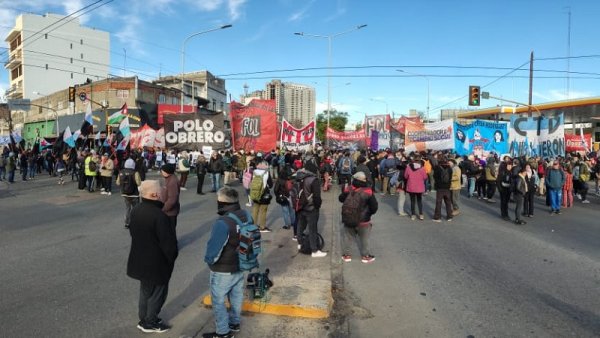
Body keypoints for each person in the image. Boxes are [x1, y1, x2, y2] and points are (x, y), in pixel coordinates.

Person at [127, 180, 178, 333]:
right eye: (161, 189)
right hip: (157, 261)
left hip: (139, 257)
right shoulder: (159, 215)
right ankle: (150, 321)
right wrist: (171, 258)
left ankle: (143, 318)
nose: (164, 191)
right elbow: (168, 244)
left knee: (145, 290)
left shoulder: (136, 209)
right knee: (158, 292)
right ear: (154, 194)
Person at [204, 186, 248, 338]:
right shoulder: (245, 215)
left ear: (221, 202)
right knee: (236, 296)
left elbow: (214, 249)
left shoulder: (223, 222)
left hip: (223, 269)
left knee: (218, 301)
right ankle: (234, 323)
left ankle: (222, 332)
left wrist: (210, 261)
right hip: (241, 263)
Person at [339, 171, 378, 263]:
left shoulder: (349, 188)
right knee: (364, 239)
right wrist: (368, 214)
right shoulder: (368, 191)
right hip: (364, 221)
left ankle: (347, 256)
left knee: (348, 237)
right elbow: (374, 207)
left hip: (349, 218)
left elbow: (340, 199)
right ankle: (365, 256)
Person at [295, 168, 327, 258]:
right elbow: (317, 196)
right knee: (312, 228)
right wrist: (317, 206)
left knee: (300, 226)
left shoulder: (298, 178)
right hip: (310, 208)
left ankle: (300, 243)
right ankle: (314, 250)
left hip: (300, 206)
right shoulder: (313, 180)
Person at [117, 158, 142, 229]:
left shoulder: (121, 172)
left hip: (124, 193)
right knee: (136, 208)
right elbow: (139, 183)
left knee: (127, 208)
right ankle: (136, 223)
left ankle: (127, 223)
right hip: (134, 193)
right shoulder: (135, 172)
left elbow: (118, 183)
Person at [250, 160, 273, 232]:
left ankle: (253, 225)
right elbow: (271, 184)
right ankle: (262, 227)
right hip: (264, 194)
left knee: (255, 210)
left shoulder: (254, 172)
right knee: (263, 211)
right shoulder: (266, 173)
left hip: (255, 193)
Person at [404, 156, 427, 221]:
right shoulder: (422, 168)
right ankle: (421, 214)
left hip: (411, 186)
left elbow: (405, 176)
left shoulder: (408, 167)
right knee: (419, 201)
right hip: (419, 187)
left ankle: (413, 215)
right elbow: (425, 177)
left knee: (412, 201)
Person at [432, 156, 454, 222]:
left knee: (439, 202)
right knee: (448, 202)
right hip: (447, 187)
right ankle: (449, 216)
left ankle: (437, 217)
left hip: (439, 187)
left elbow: (434, 176)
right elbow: (450, 177)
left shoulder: (437, 168)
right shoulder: (450, 168)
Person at [274, 165, 295, 230]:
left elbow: (276, 189)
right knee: (291, 210)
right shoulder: (292, 178)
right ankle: (293, 222)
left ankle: (287, 224)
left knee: (285, 211)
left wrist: (277, 195)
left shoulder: (280, 179)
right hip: (291, 195)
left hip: (283, 196)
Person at [160, 163, 181, 230]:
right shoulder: (168, 179)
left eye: (162, 171)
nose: (161, 172)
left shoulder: (172, 182)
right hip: (167, 211)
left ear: (167, 172)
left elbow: (172, 199)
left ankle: (172, 240)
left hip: (170, 212)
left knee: (170, 230)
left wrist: (163, 209)